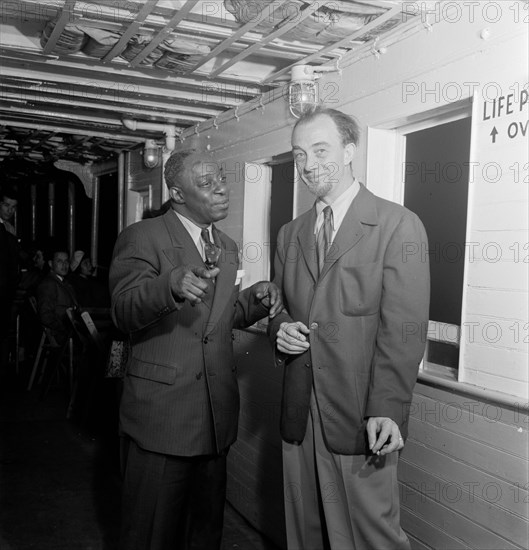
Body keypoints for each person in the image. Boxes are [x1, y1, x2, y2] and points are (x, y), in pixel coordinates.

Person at [268, 107, 430, 550]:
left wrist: (388, 409)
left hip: (362, 415)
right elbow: (279, 307)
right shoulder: (289, 235)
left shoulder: (397, 225)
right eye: (300, 155)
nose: (309, 165)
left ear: (350, 150)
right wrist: (279, 331)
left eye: (321, 150)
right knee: (304, 534)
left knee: (371, 537)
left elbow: (405, 330)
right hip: (300, 411)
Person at [109, 149, 283, 550]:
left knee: (204, 534)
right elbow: (122, 311)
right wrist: (168, 285)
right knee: (151, 535)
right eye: (206, 183)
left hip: (214, 418)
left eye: (220, 178)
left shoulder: (227, 245)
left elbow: (219, 318)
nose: (221, 188)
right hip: (162, 418)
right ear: (177, 193)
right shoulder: (143, 236)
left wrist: (256, 298)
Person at [36, 247, 78, 345]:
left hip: (71, 332)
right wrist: (66, 329)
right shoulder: (49, 284)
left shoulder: (64, 283)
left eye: (66, 261)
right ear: (50, 264)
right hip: (63, 335)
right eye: (59, 261)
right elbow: (45, 315)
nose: (64, 265)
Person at [0, 187, 19, 372]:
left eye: (13, 207)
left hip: (6, 291)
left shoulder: (10, 230)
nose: (9, 210)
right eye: (6, 205)